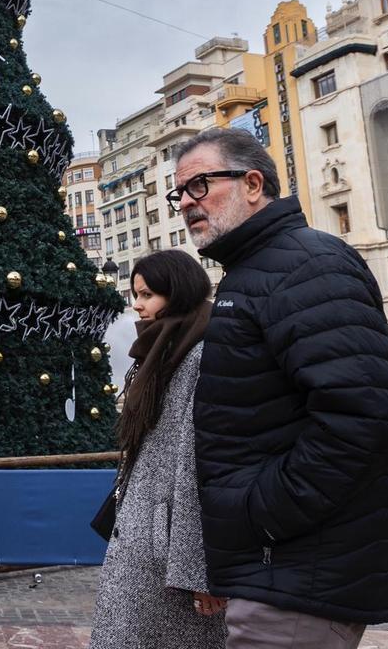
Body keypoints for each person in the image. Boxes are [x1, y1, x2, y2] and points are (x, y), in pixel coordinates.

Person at [173, 128, 388, 649]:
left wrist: (259, 514)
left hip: (300, 574)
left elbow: (365, 420)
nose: (186, 203)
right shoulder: (255, 270)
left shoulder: (306, 264)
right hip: (278, 570)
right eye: (180, 192)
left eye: (199, 185)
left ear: (253, 184)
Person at [90, 250, 226, 649]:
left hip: (168, 550)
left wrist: (199, 573)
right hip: (145, 537)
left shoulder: (199, 354)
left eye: (147, 294)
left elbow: (199, 465)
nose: (137, 304)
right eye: (136, 294)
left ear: (177, 292)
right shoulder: (160, 350)